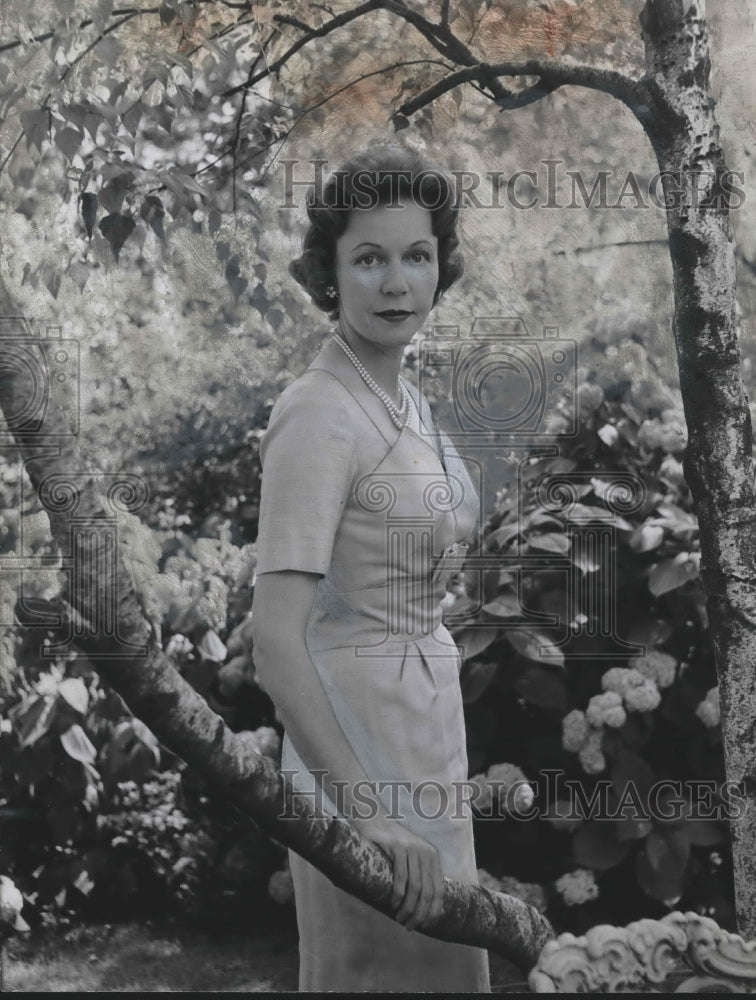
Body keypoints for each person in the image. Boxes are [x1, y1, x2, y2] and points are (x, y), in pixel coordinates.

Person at [251, 145, 491, 993]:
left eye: (416, 256)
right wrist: (371, 818)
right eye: (370, 259)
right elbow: (275, 644)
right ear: (331, 273)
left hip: (424, 730)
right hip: (351, 753)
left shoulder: (405, 398)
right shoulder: (317, 412)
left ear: (440, 267)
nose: (397, 283)